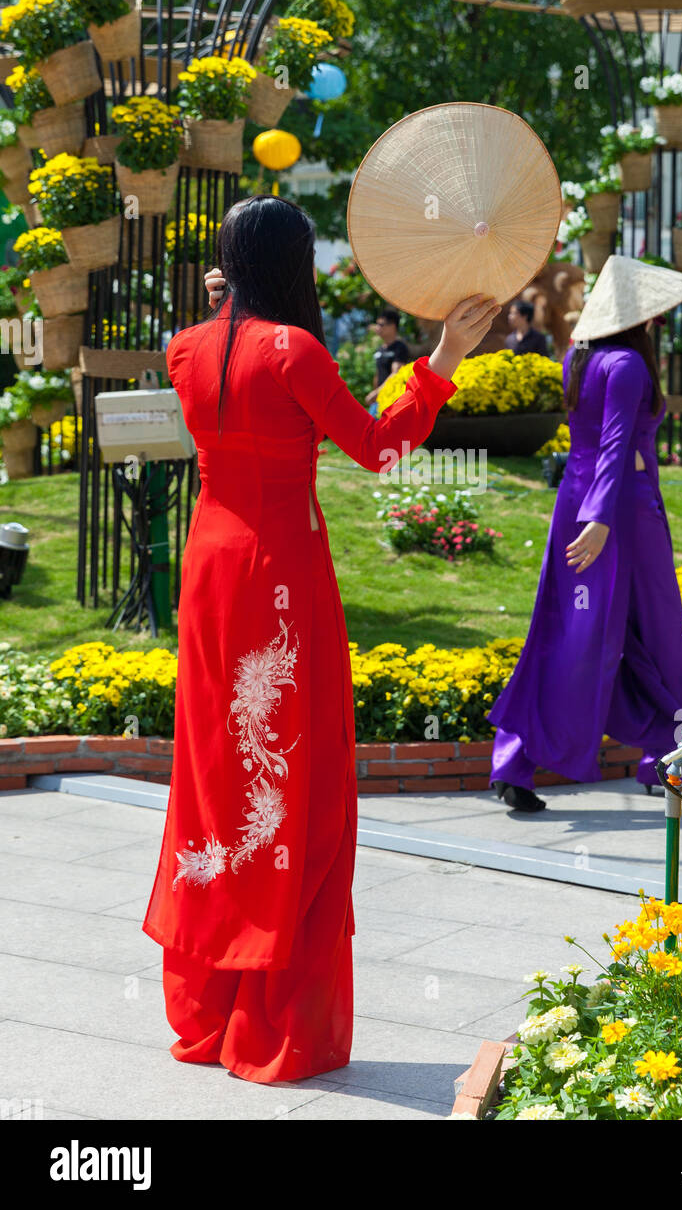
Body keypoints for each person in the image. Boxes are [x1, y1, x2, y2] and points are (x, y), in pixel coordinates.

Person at [143, 194, 499, 1082]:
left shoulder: (186, 348)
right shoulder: (293, 350)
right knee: (288, 778)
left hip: (210, 571)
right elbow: (377, 447)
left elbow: (235, 331)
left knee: (215, 774)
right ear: (297, 267)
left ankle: (209, 1008)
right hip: (278, 582)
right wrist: (445, 359)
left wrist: (232, 292)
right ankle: (270, 1017)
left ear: (230, 265)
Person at [487, 255, 682, 812]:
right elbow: (616, 445)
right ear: (636, 316)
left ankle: (515, 759)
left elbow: (596, 446)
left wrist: (591, 513)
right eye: (653, 312)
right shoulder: (628, 364)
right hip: (620, 511)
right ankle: (673, 760)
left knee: (570, 635)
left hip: (578, 504)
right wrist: (602, 519)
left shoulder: (578, 360)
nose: (658, 321)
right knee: (658, 635)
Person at [365, 306, 410, 410]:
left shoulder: (399, 347)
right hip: (379, 399)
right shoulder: (380, 349)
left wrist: (376, 393)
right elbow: (378, 374)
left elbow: (396, 373)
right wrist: (376, 393)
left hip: (393, 400)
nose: (377, 328)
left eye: (381, 325)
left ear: (393, 326)